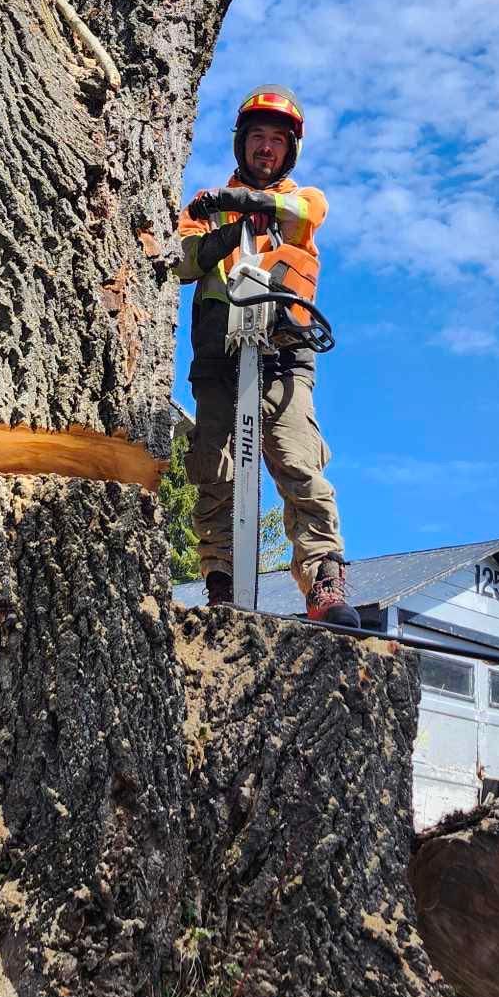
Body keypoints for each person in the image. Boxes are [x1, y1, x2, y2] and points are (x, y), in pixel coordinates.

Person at [176, 85, 360, 628]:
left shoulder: (305, 202)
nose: (265, 149)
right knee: (213, 468)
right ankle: (222, 582)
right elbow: (184, 261)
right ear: (241, 143)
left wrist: (253, 205)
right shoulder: (205, 208)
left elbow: (303, 212)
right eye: (257, 137)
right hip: (219, 355)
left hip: (283, 353)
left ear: (289, 151)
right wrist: (223, 226)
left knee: (298, 460)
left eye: (276, 141)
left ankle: (323, 578)